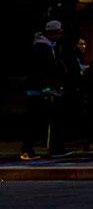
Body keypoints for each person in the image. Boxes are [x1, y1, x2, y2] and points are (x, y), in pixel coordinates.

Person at [21, 20, 65, 160]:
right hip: (39, 90)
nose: (60, 36)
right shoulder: (43, 48)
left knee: (38, 120)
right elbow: (42, 70)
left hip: (40, 89)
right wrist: (46, 87)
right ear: (51, 33)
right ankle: (28, 149)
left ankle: (32, 148)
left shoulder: (47, 46)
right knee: (36, 120)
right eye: (58, 33)